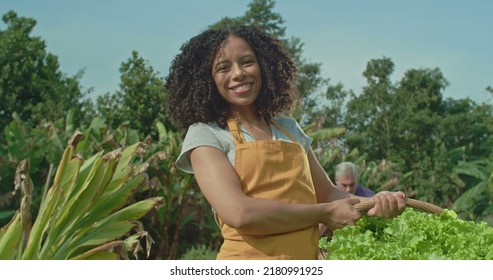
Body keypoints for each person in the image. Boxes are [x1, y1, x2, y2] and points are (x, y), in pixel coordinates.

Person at [165, 25, 406, 260]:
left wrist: (376, 203)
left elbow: (328, 194)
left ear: (264, 67)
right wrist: (324, 214)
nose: (238, 73)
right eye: (223, 67)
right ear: (207, 79)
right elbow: (239, 213)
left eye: (247, 61)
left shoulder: (289, 129)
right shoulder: (206, 134)